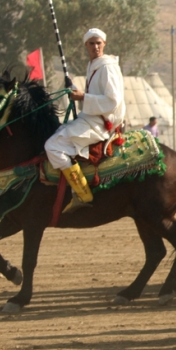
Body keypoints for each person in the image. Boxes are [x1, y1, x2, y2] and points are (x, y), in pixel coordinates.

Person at [44, 28, 126, 213]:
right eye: (91, 43)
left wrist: (83, 98)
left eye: (99, 43)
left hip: (101, 123)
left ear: (104, 44)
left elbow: (113, 101)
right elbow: (94, 95)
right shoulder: (94, 65)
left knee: (52, 146)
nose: (95, 47)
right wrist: (74, 89)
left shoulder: (107, 67)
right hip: (90, 117)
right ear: (86, 46)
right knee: (55, 134)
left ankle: (82, 194)